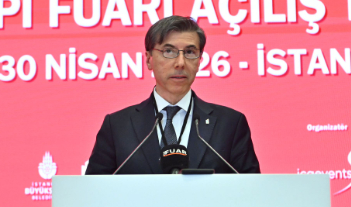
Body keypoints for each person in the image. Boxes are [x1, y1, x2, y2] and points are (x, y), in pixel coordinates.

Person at [85, 16, 260, 174]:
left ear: (200, 61)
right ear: (148, 59)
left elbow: (252, 191)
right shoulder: (117, 126)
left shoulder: (230, 124)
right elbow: (93, 192)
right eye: (169, 51)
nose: (180, 63)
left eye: (190, 52)